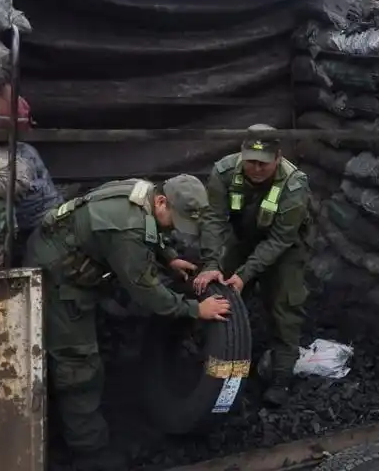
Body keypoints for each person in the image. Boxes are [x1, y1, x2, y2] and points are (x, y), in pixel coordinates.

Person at [25, 174, 231, 470]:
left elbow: (151, 232)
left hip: (72, 251)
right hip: (59, 276)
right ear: (162, 201)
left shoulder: (144, 194)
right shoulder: (126, 228)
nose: (175, 228)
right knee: (78, 365)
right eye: (176, 220)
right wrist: (196, 310)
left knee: (84, 353)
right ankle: (89, 451)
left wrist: (169, 257)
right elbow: (148, 293)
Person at [194, 124, 311, 407]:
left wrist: (245, 274)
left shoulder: (295, 185)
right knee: (222, 295)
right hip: (242, 239)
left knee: (285, 306)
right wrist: (211, 262)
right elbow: (213, 219)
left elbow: (280, 238)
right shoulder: (223, 172)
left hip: (284, 248)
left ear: (278, 157)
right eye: (251, 161)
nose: (256, 168)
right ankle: (212, 362)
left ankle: (282, 377)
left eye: (264, 163)